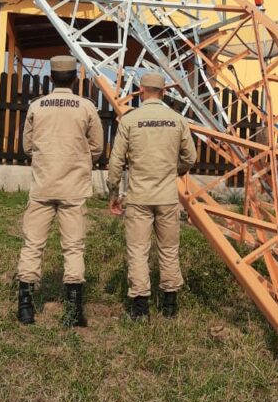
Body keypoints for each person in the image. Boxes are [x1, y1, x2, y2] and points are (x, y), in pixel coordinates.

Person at [15, 55, 104, 328]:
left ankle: (26, 308)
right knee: (73, 248)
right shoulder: (86, 107)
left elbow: (27, 146)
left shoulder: (37, 106)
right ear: (74, 78)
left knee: (33, 246)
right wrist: (79, 159)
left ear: (51, 77)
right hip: (73, 188)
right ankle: (74, 311)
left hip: (42, 186)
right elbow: (97, 147)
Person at [107, 70, 197, 320]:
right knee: (169, 250)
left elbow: (116, 162)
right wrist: (173, 171)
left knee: (138, 250)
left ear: (141, 91)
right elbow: (191, 157)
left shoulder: (130, 120)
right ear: (165, 92)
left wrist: (114, 192)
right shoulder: (177, 120)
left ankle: (140, 308)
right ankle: (169, 306)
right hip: (167, 197)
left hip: (138, 198)